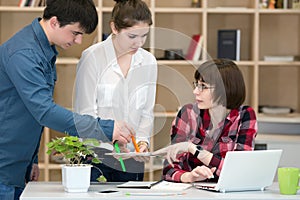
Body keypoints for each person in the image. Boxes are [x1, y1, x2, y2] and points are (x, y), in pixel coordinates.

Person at [0, 0, 134, 199]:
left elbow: (28, 110)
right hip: (4, 167)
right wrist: (107, 128)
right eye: (75, 33)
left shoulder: (43, 48)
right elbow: (44, 112)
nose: (78, 41)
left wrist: (32, 159)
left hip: (18, 164)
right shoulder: (24, 54)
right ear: (54, 22)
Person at [74, 0, 157, 182]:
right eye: (132, 36)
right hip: (96, 157)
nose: (139, 43)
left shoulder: (149, 61)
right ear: (114, 28)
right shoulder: (92, 58)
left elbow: (147, 111)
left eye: (144, 36)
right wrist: (112, 140)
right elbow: (84, 113)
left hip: (133, 158)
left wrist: (143, 142)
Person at [153, 58, 257, 183]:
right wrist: (190, 177)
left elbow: (239, 170)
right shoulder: (188, 114)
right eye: (196, 85)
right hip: (191, 192)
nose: (195, 91)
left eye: (203, 86)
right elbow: (169, 169)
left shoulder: (245, 115)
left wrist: (193, 149)